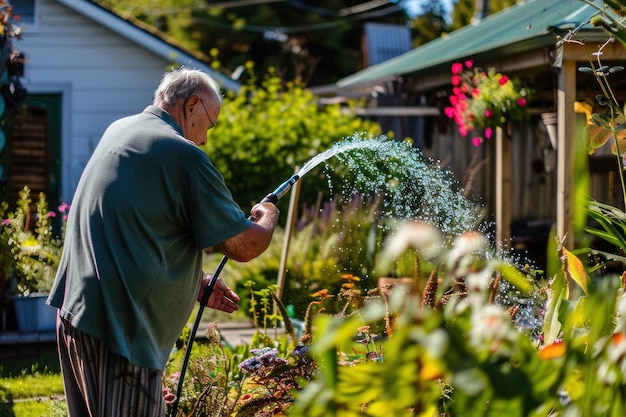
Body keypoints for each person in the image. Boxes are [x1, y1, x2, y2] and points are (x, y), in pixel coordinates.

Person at [46, 67, 280, 416]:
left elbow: (130, 225)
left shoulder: (121, 130)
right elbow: (244, 246)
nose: (204, 139)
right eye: (208, 124)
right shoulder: (182, 155)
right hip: (121, 333)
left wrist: (192, 284)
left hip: (77, 316)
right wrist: (269, 214)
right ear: (192, 106)